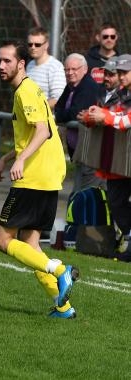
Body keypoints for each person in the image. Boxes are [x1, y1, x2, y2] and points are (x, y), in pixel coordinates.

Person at [0, 40, 79, 319]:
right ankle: (63, 306)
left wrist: (19, 160)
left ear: (21, 64)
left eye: (7, 61)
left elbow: (42, 131)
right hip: (49, 174)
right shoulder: (30, 89)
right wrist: (8, 158)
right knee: (30, 245)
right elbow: (38, 133)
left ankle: (60, 270)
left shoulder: (25, 92)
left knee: (3, 240)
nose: (1, 66)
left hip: (34, 175)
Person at [81, 55, 131, 259]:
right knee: (116, 201)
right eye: (118, 72)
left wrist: (105, 116)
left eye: (124, 72)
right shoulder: (118, 94)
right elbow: (107, 113)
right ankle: (128, 240)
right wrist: (90, 116)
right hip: (119, 161)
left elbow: (125, 121)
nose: (120, 76)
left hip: (124, 159)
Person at [55, 53, 103, 190]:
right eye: (67, 69)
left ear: (85, 69)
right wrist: (63, 114)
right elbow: (59, 108)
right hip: (80, 152)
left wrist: (62, 115)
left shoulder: (88, 87)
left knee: (83, 195)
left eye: (74, 69)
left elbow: (75, 112)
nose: (70, 73)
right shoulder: (71, 86)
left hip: (90, 153)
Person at [25, 27, 65, 110]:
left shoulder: (55, 67)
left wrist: (35, 109)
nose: (33, 47)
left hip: (46, 120)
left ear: (46, 45)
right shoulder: (30, 65)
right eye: (30, 44)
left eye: (37, 45)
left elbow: (58, 99)